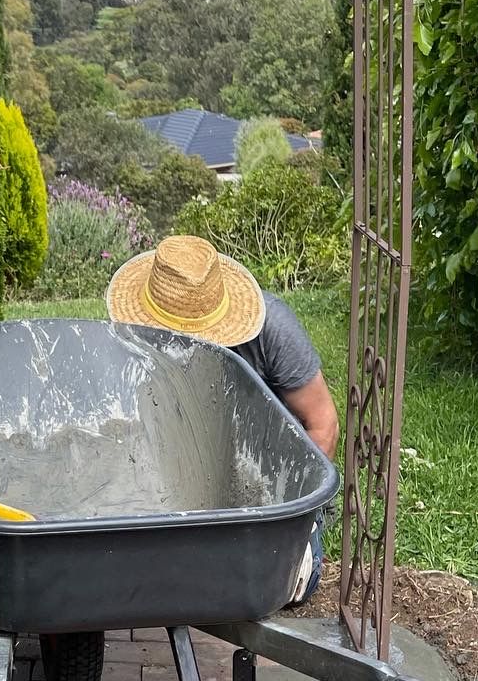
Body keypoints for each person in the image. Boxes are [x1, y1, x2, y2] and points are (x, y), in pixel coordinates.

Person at [105, 233, 339, 603]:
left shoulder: (273, 331)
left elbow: (323, 423)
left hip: (263, 489)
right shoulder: (139, 335)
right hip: (182, 477)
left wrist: (291, 524)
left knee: (275, 588)